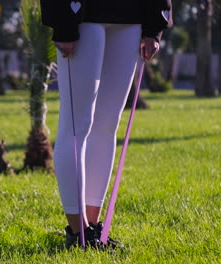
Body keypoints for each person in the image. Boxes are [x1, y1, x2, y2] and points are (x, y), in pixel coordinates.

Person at [39, 0, 173, 249]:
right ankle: (77, 234)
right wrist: (63, 23)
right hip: (81, 15)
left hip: (131, 17)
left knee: (107, 125)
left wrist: (154, 26)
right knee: (77, 125)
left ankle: (92, 229)